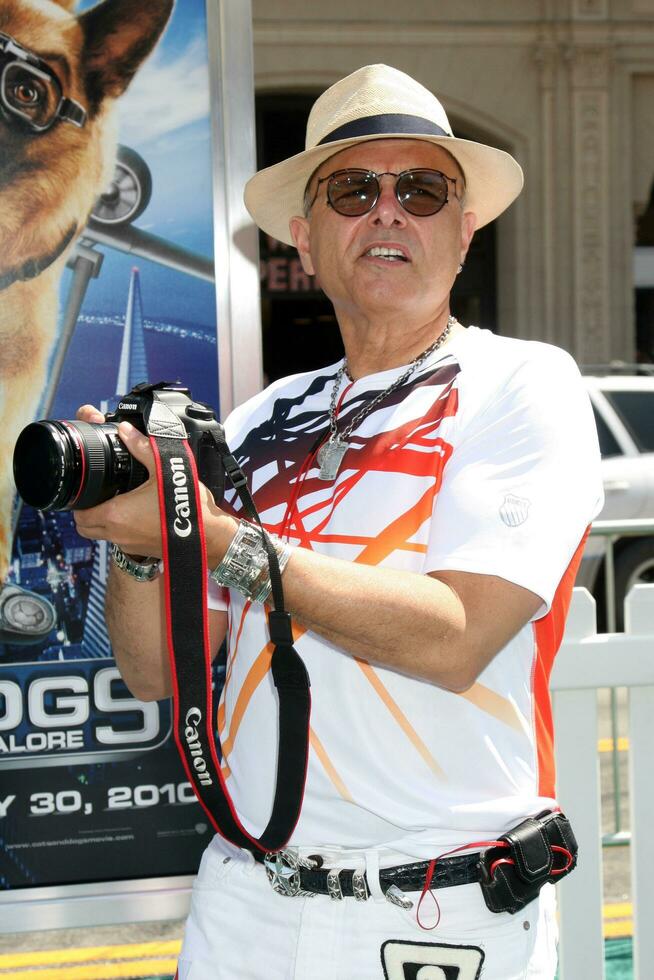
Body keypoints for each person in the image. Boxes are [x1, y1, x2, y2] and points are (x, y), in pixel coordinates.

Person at [74, 64, 603, 980]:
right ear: (305, 239)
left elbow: (456, 635)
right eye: (354, 190)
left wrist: (215, 539)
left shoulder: (525, 384)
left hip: (441, 913)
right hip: (244, 903)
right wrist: (144, 545)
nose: (388, 212)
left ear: (464, 234)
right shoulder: (253, 419)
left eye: (423, 190)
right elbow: (157, 670)